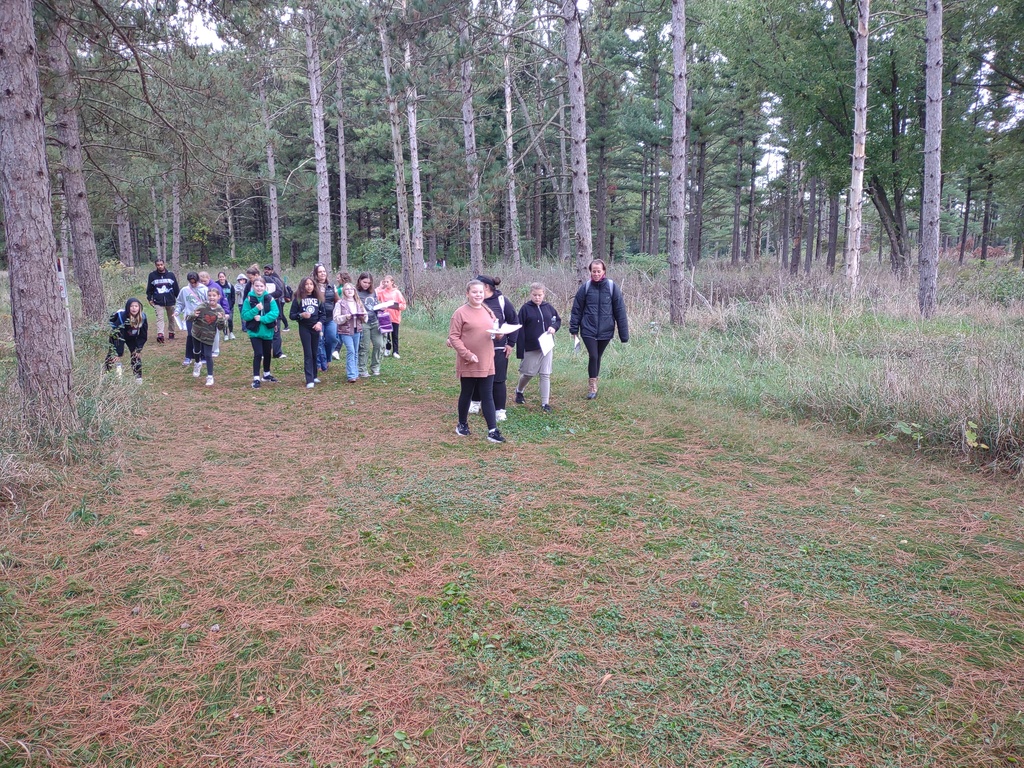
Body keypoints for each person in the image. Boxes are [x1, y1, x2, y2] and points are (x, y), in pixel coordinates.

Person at [448, 279, 506, 443]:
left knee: (487, 395)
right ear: (467, 294)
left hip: (487, 359)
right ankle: (462, 424)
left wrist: (500, 333)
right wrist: (467, 354)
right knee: (467, 393)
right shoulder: (460, 313)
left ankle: (492, 431)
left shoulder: (488, 310)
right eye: (474, 292)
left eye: (480, 292)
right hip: (469, 361)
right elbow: (453, 337)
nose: (478, 295)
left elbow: (494, 333)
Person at [569, 259, 629, 400]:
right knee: (593, 356)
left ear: (604, 271)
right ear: (590, 271)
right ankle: (592, 387)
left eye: (598, 271)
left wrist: (623, 334)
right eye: (593, 271)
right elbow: (576, 309)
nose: (596, 274)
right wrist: (574, 328)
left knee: (598, 356)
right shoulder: (585, 288)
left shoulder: (612, 287)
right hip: (588, 329)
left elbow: (620, 310)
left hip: (606, 330)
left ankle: (594, 381)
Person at [467, 276, 518, 422]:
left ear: (486, 287)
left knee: (498, 379)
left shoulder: (502, 301)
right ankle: (476, 402)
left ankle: (500, 410)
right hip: (478, 346)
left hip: (499, 347)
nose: (477, 292)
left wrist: (511, 343)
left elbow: (514, 322)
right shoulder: (475, 302)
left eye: (479, 287)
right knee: (477, 376)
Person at [514, 283, 561, 412]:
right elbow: (520, 330)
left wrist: (554, 327)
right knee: (528, 373)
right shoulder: (525, 309)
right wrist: (521, 350)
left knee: (545, 374)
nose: (537, 298)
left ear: (544, 294)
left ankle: (545, 403)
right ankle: (519, 390)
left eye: (540, 295)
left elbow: (557, 320)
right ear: (531, 294)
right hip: (531, 347)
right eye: (534, 295)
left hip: (547, 346)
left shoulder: (548, 307)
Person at [241, 275, 281, 389]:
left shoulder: (270, 299)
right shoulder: (249, 299)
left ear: (265, 287)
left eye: (261, 286)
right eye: (256, 286)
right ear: (253, 286)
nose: (259, 288)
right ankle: (256, 378)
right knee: (258, 353)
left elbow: (275, 313)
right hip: (255, 332)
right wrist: (256, 310)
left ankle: (266, 374)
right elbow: (245, 315)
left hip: (267, 331)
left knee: (268, 353)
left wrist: (262, 319)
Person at [289, 277, 325, 389]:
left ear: (314, 286)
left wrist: (319, 323)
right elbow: (292, 315)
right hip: (304, 328)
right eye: (306, 284)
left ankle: (314, 375)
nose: (309, 286)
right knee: (308, 353)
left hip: (315, 328)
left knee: (315, 352)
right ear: (302, 286)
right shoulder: (298, 299)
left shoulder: (318, 298)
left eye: (311, 284)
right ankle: (309, 379)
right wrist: (301, 315)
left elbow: (323, 314)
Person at [190, 285, 228, 386]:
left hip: (209, 336)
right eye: (210, 295)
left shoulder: (220, 310)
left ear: (218, 297)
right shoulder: (202, 306)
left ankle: (210, 376)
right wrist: (194, 315)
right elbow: (189, 317)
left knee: (208, 355)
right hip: (197, 333)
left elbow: (221, 327)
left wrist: (220, 320)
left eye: (214, 295)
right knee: (196, 350)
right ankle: (197, 363)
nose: (211, 297)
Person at [105, 297, 148, 381]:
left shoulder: (142, 317)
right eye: (131, 306)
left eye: (136, 306)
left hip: (131, 337)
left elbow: (143, 335)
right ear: (128, 307)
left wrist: (138, 348)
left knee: (136, 355)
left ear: (139, 307)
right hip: (117, 336)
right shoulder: (121, 317)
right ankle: (106, 374)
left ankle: (138, 378)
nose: (134, 308)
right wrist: (118, 353)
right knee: (112, 355)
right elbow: (118, 336)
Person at [333, 282, 367, 383]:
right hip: (345, 331)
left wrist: (363, 317)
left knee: (356, 351)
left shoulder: (358, 302)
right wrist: (345, 317)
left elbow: (365, 316)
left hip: (357, 330)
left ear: (354, 291)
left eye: (351, 289)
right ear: (344, 291)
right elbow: (336, 318)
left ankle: (355, 373)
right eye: (347, 289)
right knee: (351, 350)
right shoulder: (340, 303)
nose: (349, 291)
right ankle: (351, 375)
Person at [174, 272, 208, 367]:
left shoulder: (204, 289)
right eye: (191, 282)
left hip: (202, 317)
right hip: (189, 317)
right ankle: (188, 356)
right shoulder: (185, 290)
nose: (193, 284)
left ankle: (203, 356)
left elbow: (208, 303)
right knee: (190, 335)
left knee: (202, 336)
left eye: (195, 282)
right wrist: (177, 311)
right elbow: (180, 303)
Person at [356, 272, 384, 377]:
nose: (366, 284)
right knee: (364, 346)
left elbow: (375, 305)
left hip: (375, 321)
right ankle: (362, 368)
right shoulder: (355, 292)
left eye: (369, 283)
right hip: (363, 322)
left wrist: (381, 308)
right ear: (359, 281)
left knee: (379, 344)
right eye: (364, 282)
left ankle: (375, 366)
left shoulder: (373, 292)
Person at [145, 258, 179, 343]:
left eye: (161, 264)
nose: (160, 266)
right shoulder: (152, 275)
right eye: (158, 265)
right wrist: (149, 298)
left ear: (164, 264)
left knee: (171, 317)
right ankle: (160, 334)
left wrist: (179, 298)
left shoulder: (171, 275)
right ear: (156, 266)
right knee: (160, 318)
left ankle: (171, 332)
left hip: (170, 299)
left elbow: (176, 288)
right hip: (158, 300)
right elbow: (149, 289)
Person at [312, 263, 338, 372]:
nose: (322, 273)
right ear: (316, 274)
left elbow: (337, 301)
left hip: (330, 318)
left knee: (332, 339)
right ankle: (318, 363)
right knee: (319, 341)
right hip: (317, 319)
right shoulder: (312, 286)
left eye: (324, 271)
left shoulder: (332, 286)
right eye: (320, 272)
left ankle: (327, 359)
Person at [376, 275, 407, 358]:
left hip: (394, 317)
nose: (386, 284)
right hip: (385, 316)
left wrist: (397, 306)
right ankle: (387, 349)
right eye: (384, 282)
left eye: (387, 282)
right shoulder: (382, 292)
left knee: (395, 335)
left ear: (392, 282)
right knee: (386, 334)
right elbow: (375, 296)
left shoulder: (397, 292)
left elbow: (403, 304)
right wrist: (380, 287)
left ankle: (396, 351)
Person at [262, 264, 286, 357]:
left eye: (268, 269)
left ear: (272, 270)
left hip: (275, 307)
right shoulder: (261, 280)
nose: (266, 271)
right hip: (263, 309)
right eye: (265, 269)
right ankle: (265, 352)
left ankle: (277, 352)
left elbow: (280, 291)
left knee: (276, 330)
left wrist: (268, 297)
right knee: (264, 331)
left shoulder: (276, 280)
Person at [215, 271, 236, 340]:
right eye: (220, 277)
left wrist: (231, 304)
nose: (221, 278)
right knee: (223, 320)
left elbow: (233, 296)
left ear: (225, 277)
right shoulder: (216, 286)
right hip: (220, 307)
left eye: (223, 277)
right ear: (218, 278)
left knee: (230, 320)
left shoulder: (230, 285)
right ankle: (225, 334)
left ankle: (231, 333)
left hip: (229, 306)